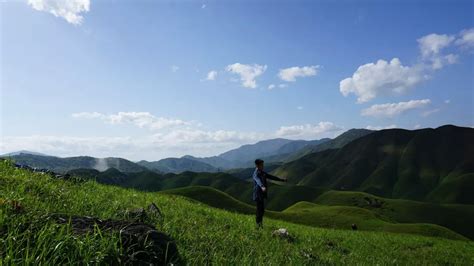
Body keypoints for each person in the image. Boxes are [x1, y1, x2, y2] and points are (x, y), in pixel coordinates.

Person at [252, 159, 287, 228]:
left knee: (261, 210)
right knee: (259, 210)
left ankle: (260, 224)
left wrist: (282, 180)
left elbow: (271, 177)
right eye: (261, 165)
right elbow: (258, 180)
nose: (263, 166)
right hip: (258, 194)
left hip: (262, 194)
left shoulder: (262, 172)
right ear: (257, 165)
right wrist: (262, 186)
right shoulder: (255, 173)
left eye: (263, 165)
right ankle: (258, 225)